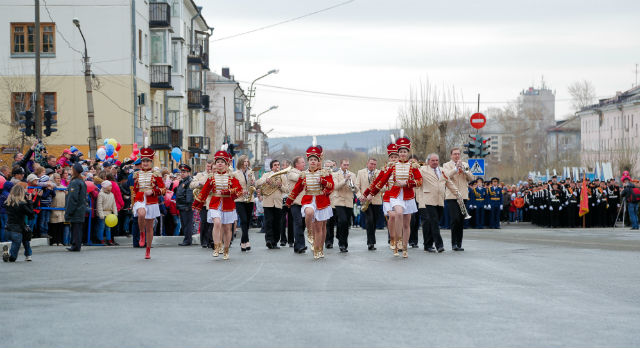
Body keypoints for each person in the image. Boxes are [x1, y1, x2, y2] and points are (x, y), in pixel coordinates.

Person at [365, 137, 422, 258]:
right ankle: (397, 241)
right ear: (398, 153)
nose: (402, 154)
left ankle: (405, 247)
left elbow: (420, 181)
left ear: (408, 152)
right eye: (400, 152)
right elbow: (381, 181)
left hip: (408, 196)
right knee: (398, 213)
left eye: (404, 152)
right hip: (395, 195)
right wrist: (371, 194)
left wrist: (407, 183)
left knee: (407, 224)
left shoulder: (413, 166)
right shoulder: (393, 166)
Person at [285, 142, 334, 260]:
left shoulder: (324, 173)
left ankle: (319, 249)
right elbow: (296, 189)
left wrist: (322, 181)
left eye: (315, 159)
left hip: (322, 201)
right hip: (308, 199)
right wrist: (288, 202)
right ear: (308, 161)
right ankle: (309, 232)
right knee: (309, 213)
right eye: (311, 159)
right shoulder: (303, 174)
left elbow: (331, 186)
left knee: (320, 227)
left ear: (318, 161)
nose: (313, 161)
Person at [192, 150, 243, 260]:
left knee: (227, 228)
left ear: (226, 164)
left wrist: (226, 192)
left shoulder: (232, 177)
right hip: (215, 203)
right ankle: (216, 246)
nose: (220, 164)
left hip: (228, 204)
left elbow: (239, 190)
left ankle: (226, 249)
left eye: (222, 162)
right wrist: (197, 204)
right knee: (217, 222)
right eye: (218, 162)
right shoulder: (211, 177)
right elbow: (204, 191)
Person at [419, 153, 458, 253]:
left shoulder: (442, 170)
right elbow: (415, 178)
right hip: (428, 200)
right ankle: (439, 245)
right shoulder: (423, 170)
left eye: (436, 160)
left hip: (440, 200)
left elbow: (449, 183)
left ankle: (427, 245)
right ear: (428, 161)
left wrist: (458, 194)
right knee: (434, 222)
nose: (435, 162)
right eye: (433, 160)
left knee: (435, 222)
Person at [132, 148, 166, 259]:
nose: (145, 163)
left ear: (151, 162)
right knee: (141, 214)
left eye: (147, 161)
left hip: (151, 200)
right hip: (140, 199)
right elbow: (135, 190)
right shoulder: (136, 175)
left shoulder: (156, 174)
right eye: (143, 161)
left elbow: (163, 190)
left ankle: (148, 250)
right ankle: (142, 234)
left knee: (150, 227)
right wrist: (133, 202)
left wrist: (153, 191)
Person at [442, 148, 474, 251]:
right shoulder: (447, 165)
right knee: (455, 219)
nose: (457, 156)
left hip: (463, 195)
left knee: (461, 220)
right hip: (452, 196)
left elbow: (472, 178)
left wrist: (464, 171)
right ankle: (453, 243)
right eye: (455, 154)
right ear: (451, 155)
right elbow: (446, 176)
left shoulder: (465, 164)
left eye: (458, 154)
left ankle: (459, 243)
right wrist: (455, 169)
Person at [255, 159, 286, 249]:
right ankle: (268, 240)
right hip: (268, 202)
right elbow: (257, 183)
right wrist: (265, 180)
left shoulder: (282, 176)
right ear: (272, 167)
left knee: (277, 223)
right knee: (268, 222)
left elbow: (287, 190)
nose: (277, 167)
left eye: (278, 165)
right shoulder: (266, 175)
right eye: (275, 165)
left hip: (278, 202)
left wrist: (281, 186)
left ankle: (275, 241)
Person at [2, 184, 36, 262]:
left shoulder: (7, 203)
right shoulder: (22, 204)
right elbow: (31, 214)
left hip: (8, 228)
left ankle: (7, 252)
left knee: (24, 238)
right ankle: (9, 255)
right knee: (13, 258)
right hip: (17, 230)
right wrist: (30, 201)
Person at [356, 158, 382, 251]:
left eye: (375, 164)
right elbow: (356, 187)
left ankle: (371, 239)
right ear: (367, 163)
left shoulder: (380, 173)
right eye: (371, 164)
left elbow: (384, 187)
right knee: (369, 220)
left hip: (376, 200)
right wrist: (360, 196)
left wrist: (374, 192)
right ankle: (371, 242)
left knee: (374, 221)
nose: (373, 166)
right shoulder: (360, 172)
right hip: (365, 200)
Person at [333, 159, 358, 252]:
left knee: (346, 223)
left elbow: (356, 189)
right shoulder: (335, 174)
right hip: (339, 200)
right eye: (344, 165)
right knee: (342, 220)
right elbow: (336, 187)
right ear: (341, 165)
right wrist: (345, 180)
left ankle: (342, 238)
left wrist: (353, 186)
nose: (346, 167)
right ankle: (342, 244)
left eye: (348, 165)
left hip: (349, 201)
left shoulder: (353, 175)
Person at [233, 155, 255, 251]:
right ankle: (247, 241)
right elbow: (234, 186)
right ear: (241, 162)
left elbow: (253, 184)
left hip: (249, 199)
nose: (246, 163)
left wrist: (254, 182)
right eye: (244, 161)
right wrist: (242, 191)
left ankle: (243, 242)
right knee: (244, 220)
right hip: (240, 199)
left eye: (247, 161)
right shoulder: (236, 173)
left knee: (248, 221)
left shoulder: (251, 172)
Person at [286, 156, 308, 253]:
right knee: (298, 223)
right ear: (296, 164)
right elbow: (299, 178)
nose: (304, 164)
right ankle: (301, 245)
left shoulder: (303, 173)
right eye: (302, 162)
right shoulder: (291, 172)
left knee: (303, 224)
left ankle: (297, 245)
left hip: (304, 202)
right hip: (295, 202)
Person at [65, 163, 87, 252]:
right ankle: (76, 244)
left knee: (76, 228)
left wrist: (69, 211)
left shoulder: (75, 182)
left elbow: (73, 198)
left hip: (76, 209)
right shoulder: (81, 181)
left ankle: (75, 245)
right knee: (77, 228)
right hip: (80, 208)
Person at [176, 164, 195, 246]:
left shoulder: (189, 181)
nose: (182, 173)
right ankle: (186, 239)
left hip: (186, 206)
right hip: (182, 205)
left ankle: (187, 240)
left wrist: (188, 205)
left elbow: (189, 195)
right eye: (181, 172)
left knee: (187, 224)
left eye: (184, 172)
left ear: (188, 173)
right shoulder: (182, 181)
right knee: (184, 224)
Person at [48, 173, 68, 246]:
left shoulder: (63, 187)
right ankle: (53, 241)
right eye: (57, 178)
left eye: (59, 178)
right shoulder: (52, 187)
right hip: (54, 208)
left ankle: (59, 241)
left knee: (61, 226)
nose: (59, 180)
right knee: (54, 225)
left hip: (62, 209)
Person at [96, 180, 117, 245]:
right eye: (109, 186)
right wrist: (101, 214)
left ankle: (109, 239)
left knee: (108, 228)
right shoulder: (101, 194)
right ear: (105, 186)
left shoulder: (112, 194)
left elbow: (114, 204)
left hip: (109, 214)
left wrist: (115, 213)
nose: (111, 187)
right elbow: (99, 205)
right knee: (101, 227)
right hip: (103, 213)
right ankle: (100, 239)